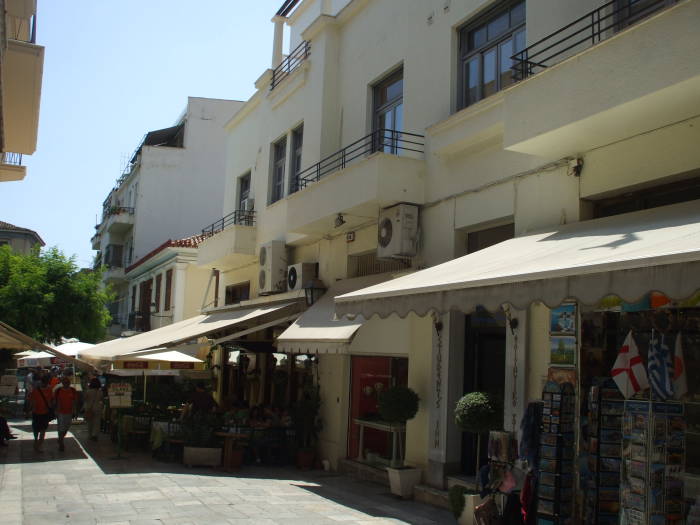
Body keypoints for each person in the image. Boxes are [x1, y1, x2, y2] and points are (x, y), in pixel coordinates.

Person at [29, 374, 53, 451]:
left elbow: (32, 401)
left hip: (41, 413)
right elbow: (33, 401)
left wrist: (32, 410)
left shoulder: (38, 390)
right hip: (39, 412)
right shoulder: (37, 390)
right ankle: (37, 441)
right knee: (40, 429)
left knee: (40, 429)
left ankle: (38, 443)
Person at [54, 376, 77, 451]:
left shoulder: (73, 390)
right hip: (60, 412)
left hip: (69, 412)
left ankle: (61, 438)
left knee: (67, 427)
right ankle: (61, 443)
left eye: (68, 382)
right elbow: (56, 402)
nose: (66, 383)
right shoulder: (58, 391)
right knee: (61, 428)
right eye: (65, 382)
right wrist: (56, 411)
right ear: (63, 383)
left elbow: (74, 402)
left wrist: (74, 411)